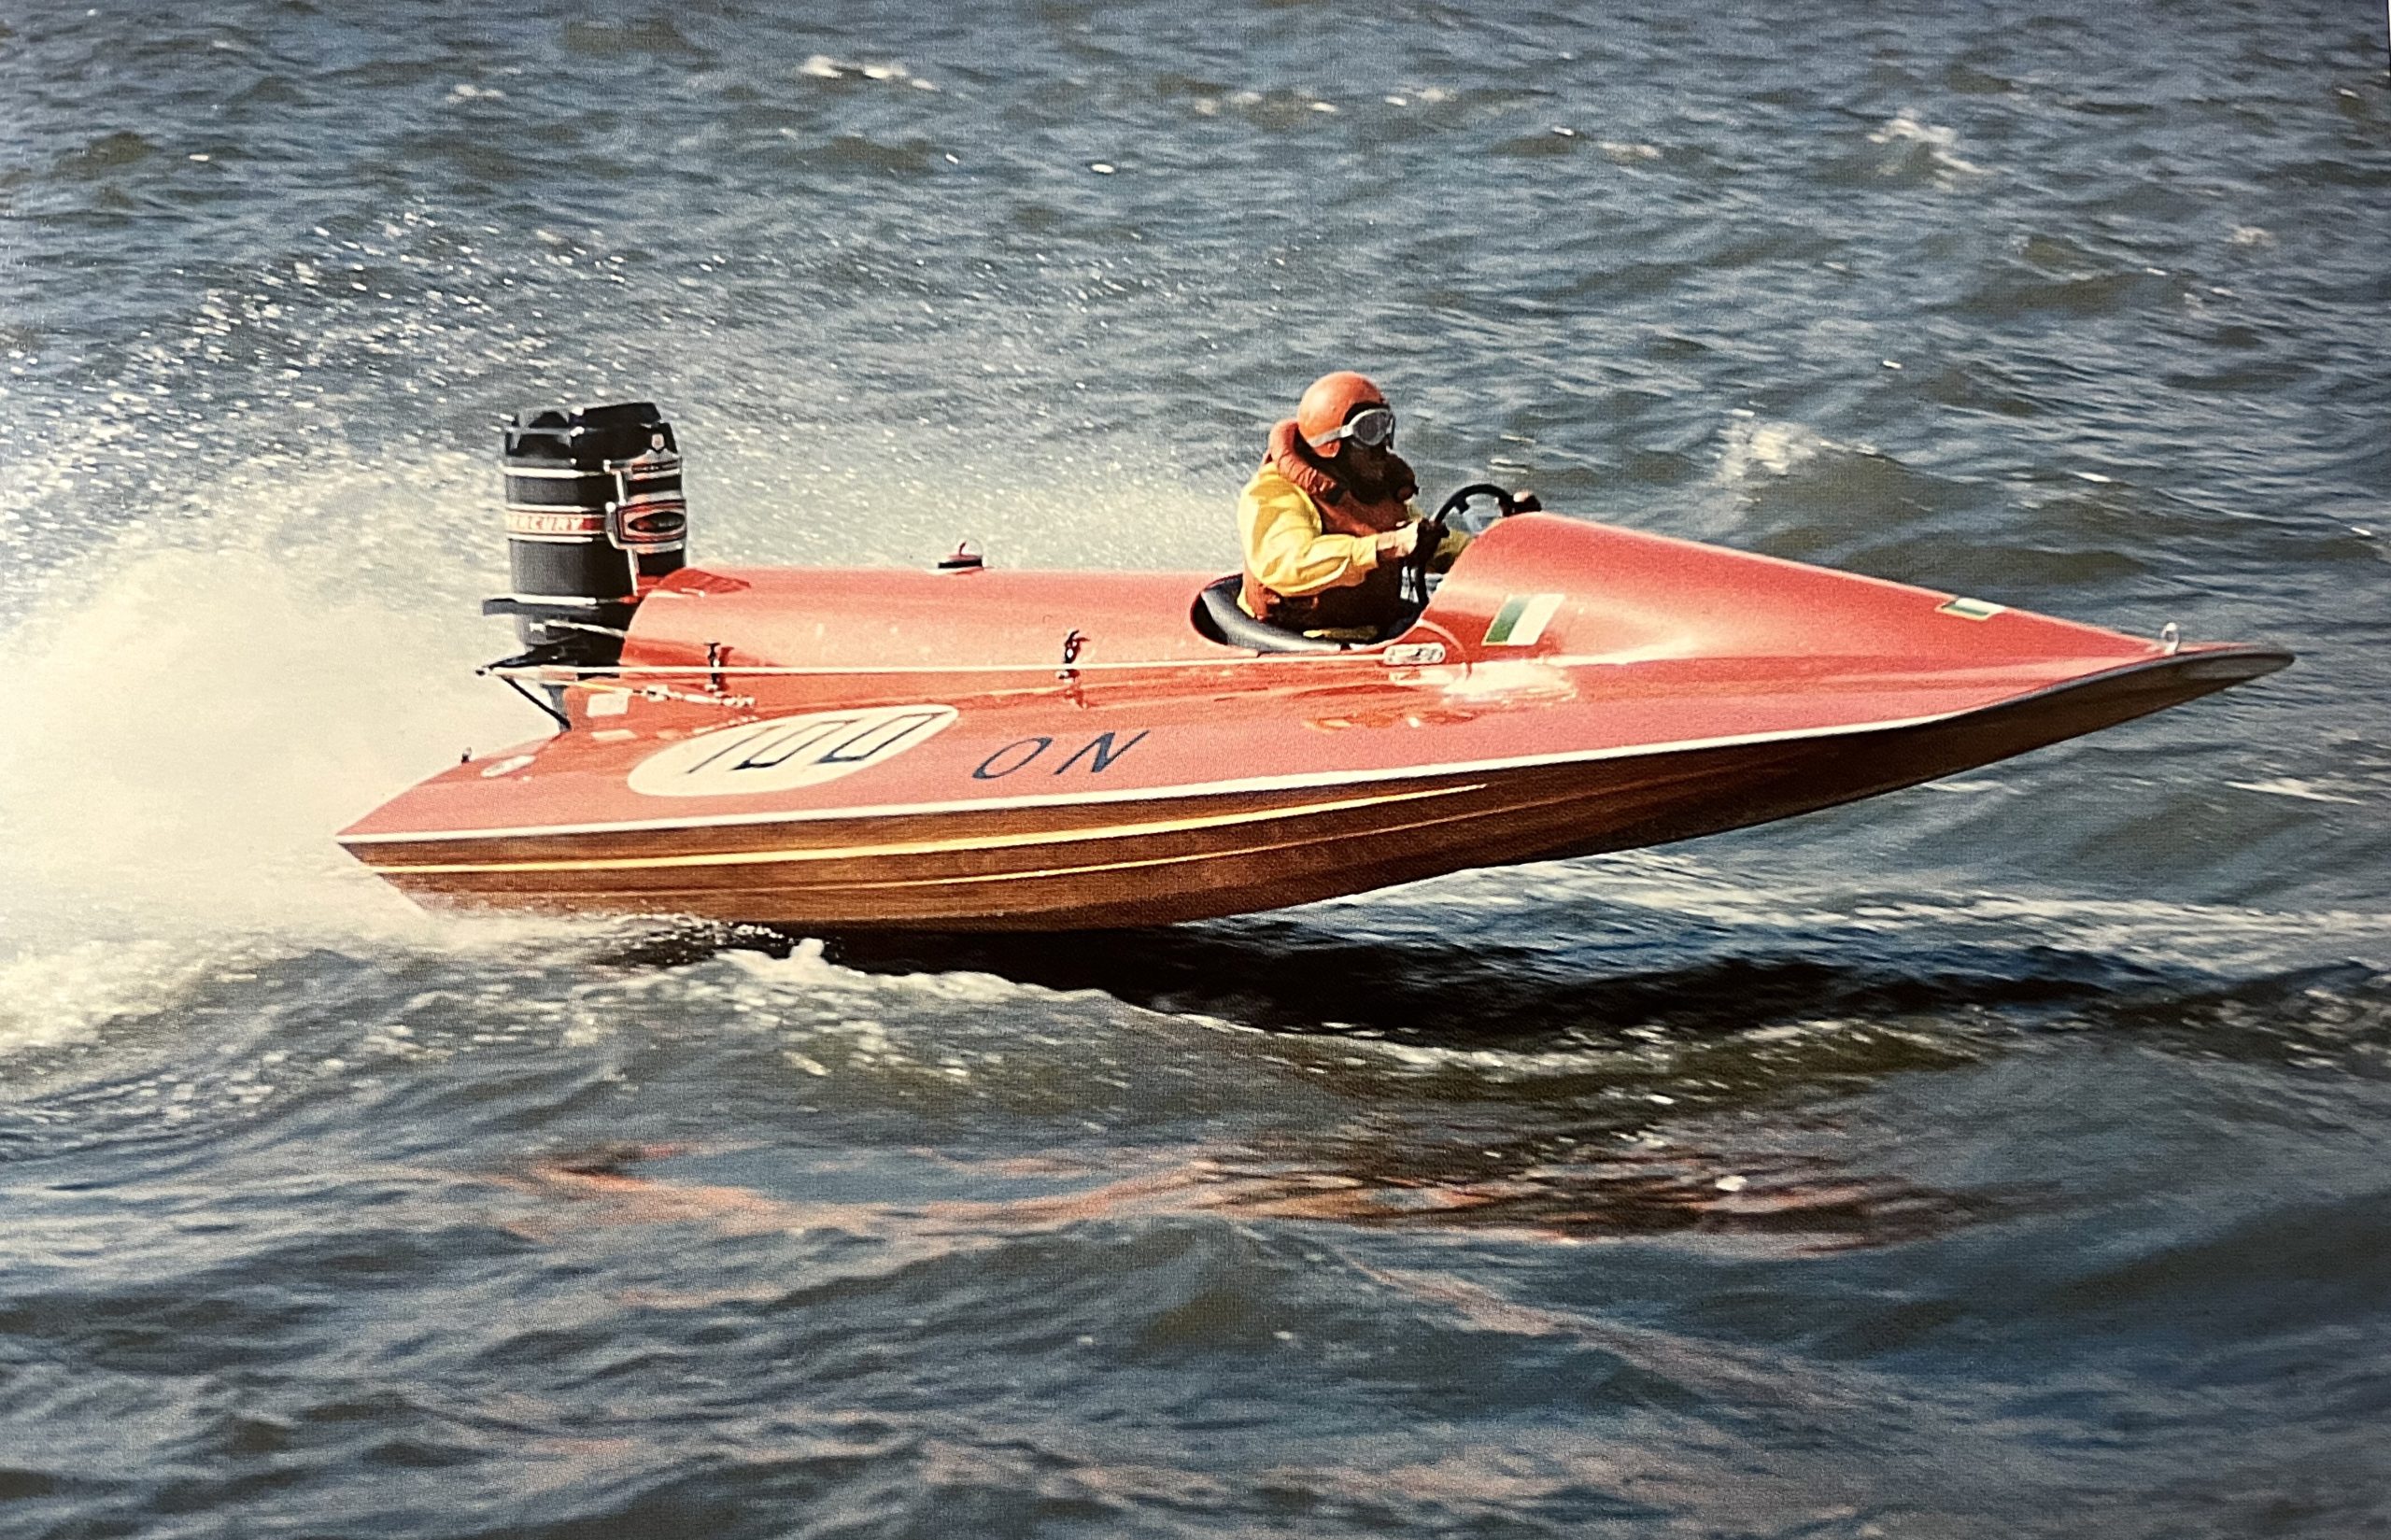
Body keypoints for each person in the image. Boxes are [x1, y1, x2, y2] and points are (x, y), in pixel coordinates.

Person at [1238, 371, 1468, 640]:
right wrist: (1385, 546)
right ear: (1333, 444)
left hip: (1373, 632)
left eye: (1385, 428)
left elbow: (1436, 543)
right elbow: (1290, 562)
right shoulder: (1275, 493)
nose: (1382, 446)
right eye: (1369, 431)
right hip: (1300, 639)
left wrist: (1503, 546)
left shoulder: (1377, 487)